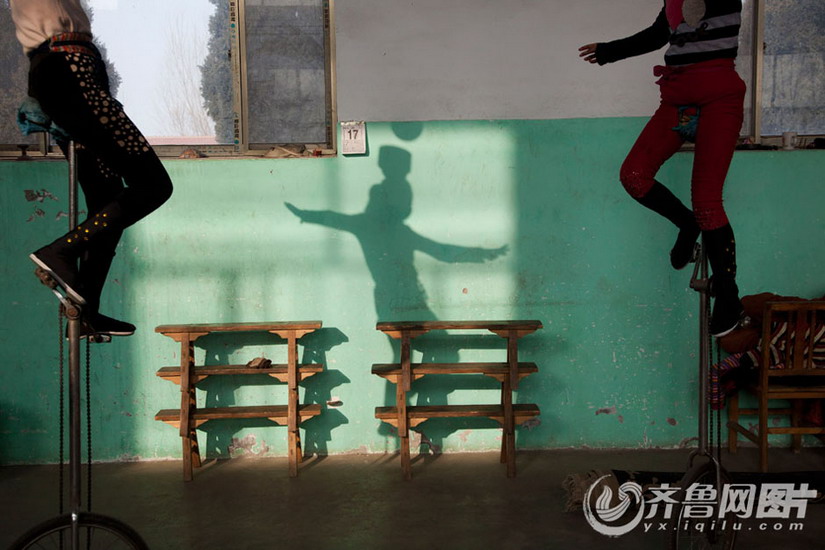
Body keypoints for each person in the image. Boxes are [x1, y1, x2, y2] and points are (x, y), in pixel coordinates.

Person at [579, 0, 745, 337]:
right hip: (677, 98)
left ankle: (729, 298)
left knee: (707, 202)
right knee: (634, 175)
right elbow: (657, 35)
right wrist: (610, 51)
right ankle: (685, 224)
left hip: (719, 97)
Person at [10, 0, 173, 337]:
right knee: (154, 185)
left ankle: (87, 309)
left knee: (108, 198)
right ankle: (60, 252)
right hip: (68, 67)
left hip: (68, 71)